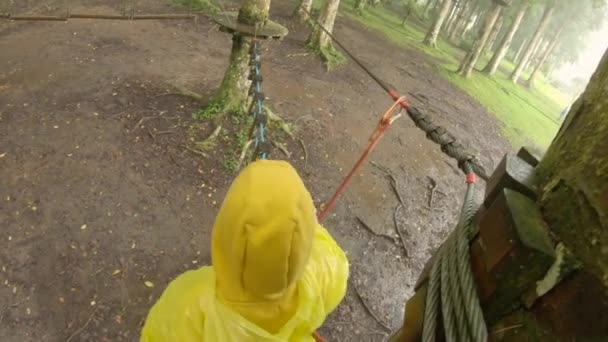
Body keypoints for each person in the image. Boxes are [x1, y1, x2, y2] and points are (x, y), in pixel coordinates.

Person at [141, 160, 349, 341]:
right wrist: (300, 225)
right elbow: (329, 253)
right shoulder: (322, 275)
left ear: (225, 227)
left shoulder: (190, 302)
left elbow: (157, 334)